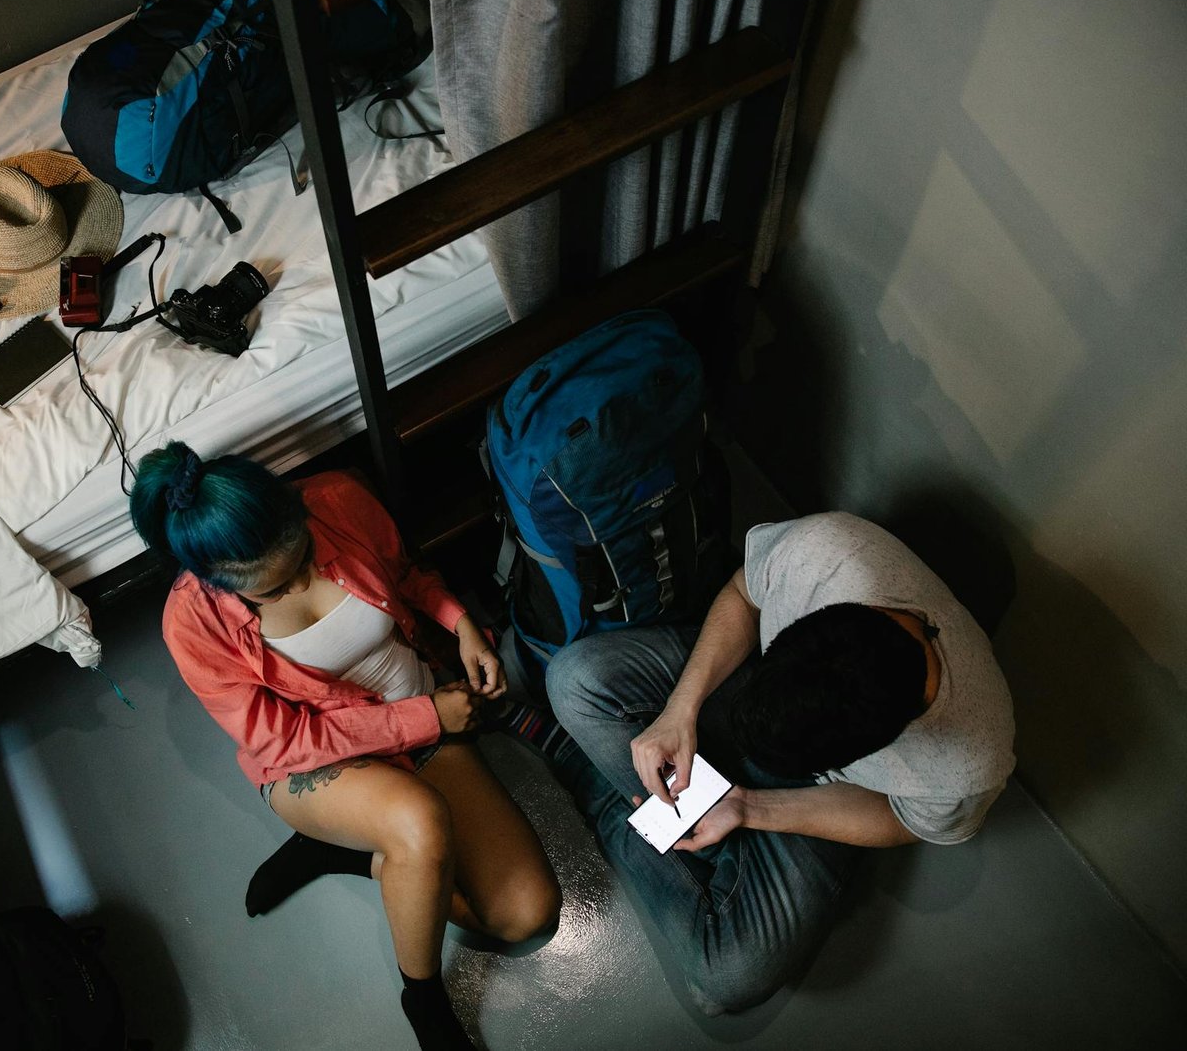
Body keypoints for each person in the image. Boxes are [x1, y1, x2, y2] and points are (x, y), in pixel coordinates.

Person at [132, 442, 561, 1051]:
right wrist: (426, 717)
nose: (301, 582)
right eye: (274, 591)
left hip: (425, 724)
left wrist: (461, 624)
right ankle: (424, 999)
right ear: (221, 582)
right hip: (317, 761)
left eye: (304, 557)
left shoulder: (337, 498)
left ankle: (352, 852)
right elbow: (285, 739)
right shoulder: (191, 623)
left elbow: (407, 576)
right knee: (417, 820)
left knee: (525, 913)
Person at [540, 511, 1016, 1015]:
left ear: (869, 754)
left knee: (726, 979)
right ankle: (678, 836)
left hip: (816, 798)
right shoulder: (823, 554)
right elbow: (744, 594)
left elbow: (903, 819)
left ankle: (600, 791)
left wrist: (750, 807)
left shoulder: (967, 765)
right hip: (752, 689)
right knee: (573, 678)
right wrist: (682, 708)